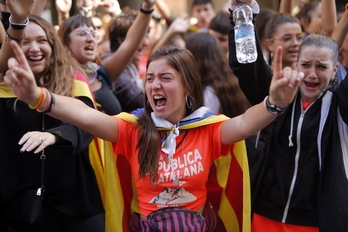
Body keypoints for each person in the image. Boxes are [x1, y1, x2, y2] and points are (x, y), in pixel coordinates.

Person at [4, 39, 303, 231]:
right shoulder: (131, 129)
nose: (154, 86)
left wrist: (275, 102)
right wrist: (38, 96)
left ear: (187, 86)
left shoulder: (207, 129)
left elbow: (248, 122)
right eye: (150, 78)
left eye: (165, 78)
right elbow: (84, 114)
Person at [229, 1, 348, 231]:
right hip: (263, 216)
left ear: (335, 70)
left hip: (316, 222)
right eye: (306, 65)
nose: (312, 74)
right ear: (296, 63)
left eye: (321, 67)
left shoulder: (339, 103)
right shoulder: (279, 88)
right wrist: (242, 14)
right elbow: (246, 66)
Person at [0, 13, 104, 232]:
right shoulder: (3, 94)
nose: (34, 48)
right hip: (20, 208)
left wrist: (54, 135)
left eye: (42, 40)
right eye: (25, 42)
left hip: (75, 205)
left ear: (53, 47)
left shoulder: (74, 82)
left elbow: (87, 127)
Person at [58, 0, 156, 115]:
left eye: (94, 34)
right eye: (82, 33)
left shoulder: (102, 74)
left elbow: (131, 43)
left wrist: (148, 7)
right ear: (65, 42)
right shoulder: (56, 78)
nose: (90, 39)